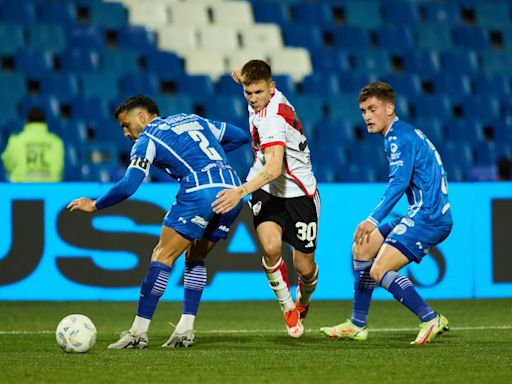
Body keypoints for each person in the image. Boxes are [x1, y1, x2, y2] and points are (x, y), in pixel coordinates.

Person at [67, 95, 249, 349]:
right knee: (195, 256)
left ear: (142, 117)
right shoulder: (193, 119)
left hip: (200, 190)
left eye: (126, 125)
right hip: (233, 189)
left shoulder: (148, 138)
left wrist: (95, 204)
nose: (125, 133)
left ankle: (137, 333)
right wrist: (208, 157)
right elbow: (241, 136)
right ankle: (186, 328)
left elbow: (129, 185)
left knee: (162, 255)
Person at [320, 81, 453, 345]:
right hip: (419, 213)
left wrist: (372, 219)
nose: (367, 116)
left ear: (390, 108)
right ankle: (357, 324)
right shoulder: (404, 133)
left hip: (428, 216)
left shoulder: (397, 136)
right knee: (363, 249)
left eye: (372, 109)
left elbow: (399, 183)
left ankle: (429, 317)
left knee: (379, 270)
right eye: (363, 111)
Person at [212, 60, 320, 338]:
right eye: (248, 93)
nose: (253, 99)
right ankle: (287, 307)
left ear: (272, 89)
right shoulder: (257, 93)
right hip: (267, 190)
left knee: (304, 269)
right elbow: (246, 77)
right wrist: (240, 76)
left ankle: (303, 301)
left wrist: (239, 191)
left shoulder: (273, 118)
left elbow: (274, 169)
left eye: (259, 93)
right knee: (271, 249)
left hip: (299, 193)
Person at [1, 107, 64, 182]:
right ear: (44, 122)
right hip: (49, 190)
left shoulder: (15, 140)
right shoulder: (56, 142)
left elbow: (6, 163)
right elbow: (59, 168)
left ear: (27, 121)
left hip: (22, 190)